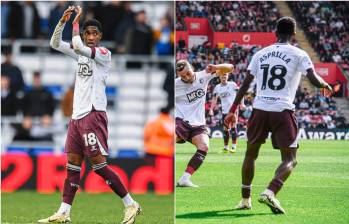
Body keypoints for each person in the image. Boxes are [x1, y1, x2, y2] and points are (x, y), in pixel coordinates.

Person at [38, 6, 141, 224]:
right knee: (72, 165)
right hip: (77, 117)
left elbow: (76, 45)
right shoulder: (81, 56)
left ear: (100, 36)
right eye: (88, 33)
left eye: (95, 33)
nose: (92, 37)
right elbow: (55, 44)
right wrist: (62, 21)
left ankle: (131, 204)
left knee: (98, 165)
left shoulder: (104, 54)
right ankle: (64, 211)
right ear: (85, 35)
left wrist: (76, 21)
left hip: (94, 114)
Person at [224, 17, 333, 214]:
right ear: (293, 34)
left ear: (275, 32)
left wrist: (232, 110)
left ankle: (245, 200)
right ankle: (270, 191)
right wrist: (324, 85)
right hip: (282, 110)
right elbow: (313, 78)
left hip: (259, 108)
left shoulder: (260, 54)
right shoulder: (299, 54)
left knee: (251, 154)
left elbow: (246, 84)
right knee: (290, 158)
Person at [175, 59, 234, 187]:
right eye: (182, 76)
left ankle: (184, 179)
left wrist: (215, 66)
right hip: (181, 121)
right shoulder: (175, 85)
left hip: (198, 123)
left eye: (188, 73)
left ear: (191, 68)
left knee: (204, 146)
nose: (186, 77)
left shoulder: (203, 75)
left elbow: (230, 68)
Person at [209, 73, 242, 153]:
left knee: (233, 127)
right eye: (222, 75)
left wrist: (242, 103)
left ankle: (233, 147)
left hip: (233, 109)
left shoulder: (233, 84)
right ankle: (226, 147)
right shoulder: (217, 87)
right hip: (224, 111)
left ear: (227, 76)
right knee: (225, 130)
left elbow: (240, 94)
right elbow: (214, 99)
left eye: (225, 75)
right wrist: (211, 109)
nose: (223, 77)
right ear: (220, 77)